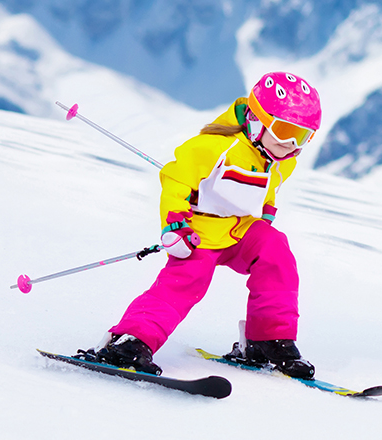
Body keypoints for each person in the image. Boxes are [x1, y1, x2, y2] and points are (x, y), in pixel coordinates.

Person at [77, 72, 321, 380]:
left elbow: (268, 188)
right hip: (199, 233)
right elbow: (175, 179)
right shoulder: (212, 148)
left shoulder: (281, 158)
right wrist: (175, 225)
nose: (291, 145)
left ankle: (269, 340)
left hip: (238, 231)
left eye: (302, 136)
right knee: (187, 281)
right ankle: (130, 341)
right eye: (284, 130)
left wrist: (267, 216)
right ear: (258, 119)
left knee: (276, 249)